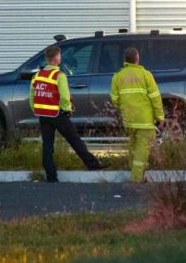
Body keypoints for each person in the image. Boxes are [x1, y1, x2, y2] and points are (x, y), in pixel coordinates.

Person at [29, 46, 105, 182]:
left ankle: (51, 176)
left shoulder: (37, 75)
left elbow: (32, 96)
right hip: (58, 114)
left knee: (47, 145)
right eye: (59, 56)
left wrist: (38, 109)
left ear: (47, 59)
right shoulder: (59, 76)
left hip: (43, 115)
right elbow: (64, 97)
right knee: (74, 140)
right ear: (57, 58)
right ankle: (93, 165)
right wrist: (67, 109)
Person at [110, 47, 164, 182]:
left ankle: (133, 169)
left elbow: (114, 99)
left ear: (125, 60)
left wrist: (124, 109)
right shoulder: (146, 75)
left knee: (133, 145)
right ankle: (136, 178)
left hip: (128, 119)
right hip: (144, 120)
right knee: (142, 148)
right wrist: (160, 116)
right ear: (137, 58)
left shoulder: (117, 76)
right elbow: (155, 97)